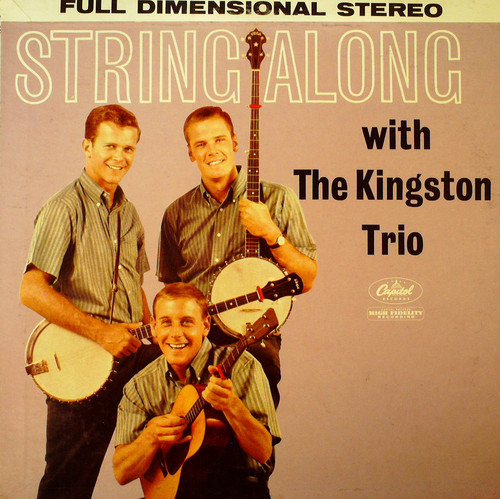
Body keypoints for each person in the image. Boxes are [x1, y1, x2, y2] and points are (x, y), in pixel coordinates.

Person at [20, 105, 161, 499]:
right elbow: (31, 289)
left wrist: (153, 331)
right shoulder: (63, 208)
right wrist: (102, 333)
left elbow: (136, 286)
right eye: (110, 146)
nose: (120, 157)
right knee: (67, 486)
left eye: (128, 148)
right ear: (87, 146)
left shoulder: (129, 214)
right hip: (81, 364)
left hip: (134, 356)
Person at [157, 106, 317, 406]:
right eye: (201, 144)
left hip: (254, 333)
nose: (211, 151)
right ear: (190, 153)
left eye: (219, 140)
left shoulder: (277, 198)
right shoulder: (176, 213)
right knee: (174, 414)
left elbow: (307, 279)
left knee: (250, 413)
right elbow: (171, 290)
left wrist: (271, 232)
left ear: (235, 143)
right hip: (194, 336)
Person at [113, 282, 280, 498]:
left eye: (186, 322)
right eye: (166, 323)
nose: (176, 334)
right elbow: (121, 473)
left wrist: (231, 406)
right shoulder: (138, 386)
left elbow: (263, 452)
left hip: (237, 489)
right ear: (154, 328)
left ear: (205, 326)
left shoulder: (243, 366)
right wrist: (150, 437)